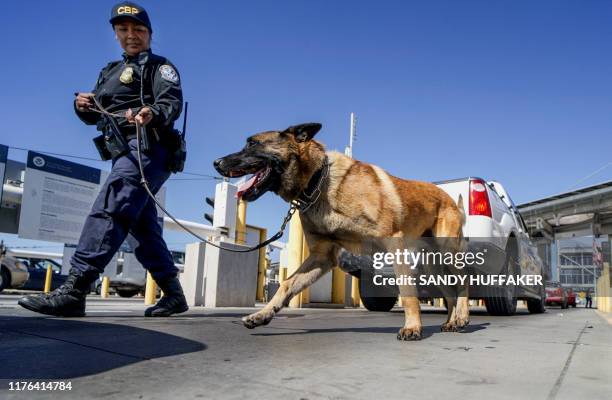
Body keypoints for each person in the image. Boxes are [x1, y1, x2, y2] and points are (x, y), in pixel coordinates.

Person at [18, 1, 188, 317]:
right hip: (123, 151)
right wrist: (85, 105)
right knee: (142, 228)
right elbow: (98, 114)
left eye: (138, 29)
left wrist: (152, 112)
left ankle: (75, 290)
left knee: (111, 207)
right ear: (115, 33)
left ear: (150, 33)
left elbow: (171, 103)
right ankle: (174, 295)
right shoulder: (109, 71)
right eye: (123, 29)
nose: (131, 35)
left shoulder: (159, 67)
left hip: (147, 148)